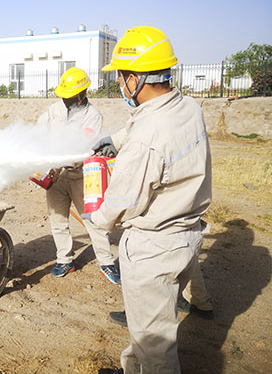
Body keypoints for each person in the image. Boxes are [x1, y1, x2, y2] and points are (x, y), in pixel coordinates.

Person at [83, 26, 213, 374]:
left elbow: (123, 201)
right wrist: (116, 140)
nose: (119, 83)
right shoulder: (188, 106)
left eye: (121, 76)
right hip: (186, 236)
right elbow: (146, 125)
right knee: (147, 326)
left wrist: (96, 218)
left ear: (134, 79)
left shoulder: (146, 142)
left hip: (153, 250)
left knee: (156, 346)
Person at [37, 67, 120, 283]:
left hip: (81, 176)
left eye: (70, 96)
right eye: (64, 96)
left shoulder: (93, 116)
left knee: (93, 220)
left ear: (82, 93)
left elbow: (83, 146)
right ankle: (65, 260)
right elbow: (39, 132)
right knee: (58, 220)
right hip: (56, 176)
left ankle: (106, 263)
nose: (66, 100)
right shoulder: (55, 110)